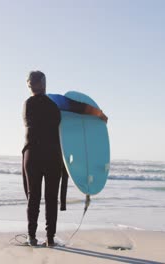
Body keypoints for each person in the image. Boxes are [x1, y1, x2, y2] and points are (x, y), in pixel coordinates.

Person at [22, 70, 108, 247]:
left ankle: (31, 237)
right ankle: (50, 239)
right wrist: (99, 114)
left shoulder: (26, 104)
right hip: (52, 155)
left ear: (29, 85)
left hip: (32, 155)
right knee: (51, 198)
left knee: (33, 197)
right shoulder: (55, 100)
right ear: (44, 83)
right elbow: (80, 108)